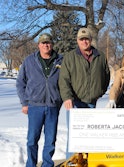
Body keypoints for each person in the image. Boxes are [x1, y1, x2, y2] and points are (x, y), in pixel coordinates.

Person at [59, 27, 110, 159]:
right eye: (81, 39)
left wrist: (99, 92)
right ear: (77, 41)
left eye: (86, 39)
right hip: (74, 102)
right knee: (74, 136)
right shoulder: (70, 57)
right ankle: (72, 161)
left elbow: (106, 76)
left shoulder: (100, 56)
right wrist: (67, 98)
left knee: (89, 135)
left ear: (90, 40)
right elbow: (63, 79)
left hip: (91, 102)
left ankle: (88, 161)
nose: (84, 42)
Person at [16, 33, 63, 167]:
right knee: (32, 139)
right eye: (43, 43)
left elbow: (65, 82)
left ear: (52, 44)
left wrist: (60, 100)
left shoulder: (60, 60)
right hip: (34, 106)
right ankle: (31, 164)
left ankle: (47, 164)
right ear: (39, 45)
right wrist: (24, 103)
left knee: (50, 139)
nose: (45, 45)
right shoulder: (29, 61)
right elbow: (20, 82)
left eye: (48, 42)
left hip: (53, 106)